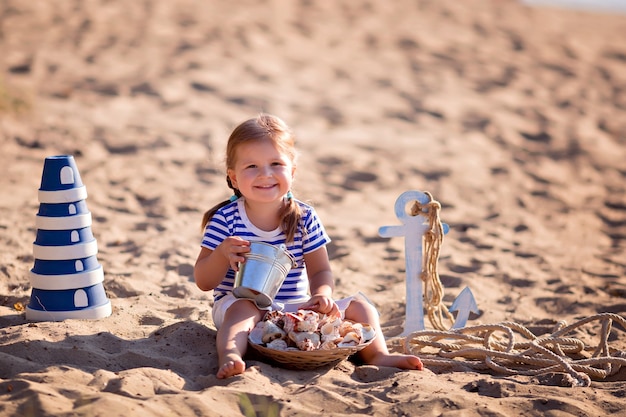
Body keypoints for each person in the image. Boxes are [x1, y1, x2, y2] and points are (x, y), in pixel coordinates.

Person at [194, 113, 423, 379]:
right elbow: (203, 281)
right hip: (243, 306)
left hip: (295, 308)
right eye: (252, 166)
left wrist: (322, 295)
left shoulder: (304, 218)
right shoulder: (225, 220)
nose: (265, 174)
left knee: (362, 306)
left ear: (292, 171)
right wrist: (222, 254)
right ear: (233, 178)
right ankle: (231, 354)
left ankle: (377, 354)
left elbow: (320, 271)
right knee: (245, 308)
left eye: (275, 163)